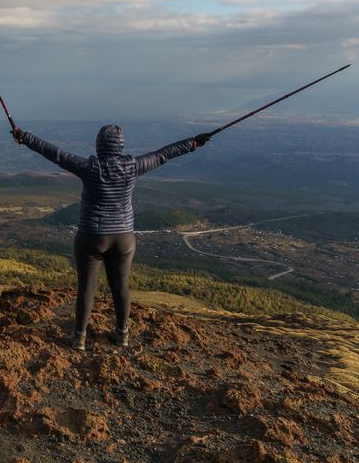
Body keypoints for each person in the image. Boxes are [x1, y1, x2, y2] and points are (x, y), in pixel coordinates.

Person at [11, 124, 210, 351]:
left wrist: (24, 137)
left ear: (99, 146)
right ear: (120, 145)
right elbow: (164, 154)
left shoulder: (89, 167)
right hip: (124, 236)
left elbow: (55, 153)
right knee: (121, 286)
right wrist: (193, 142)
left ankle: (79, 338)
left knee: (87, 288)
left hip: (92, 236)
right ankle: (122, 334)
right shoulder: (133, 166)